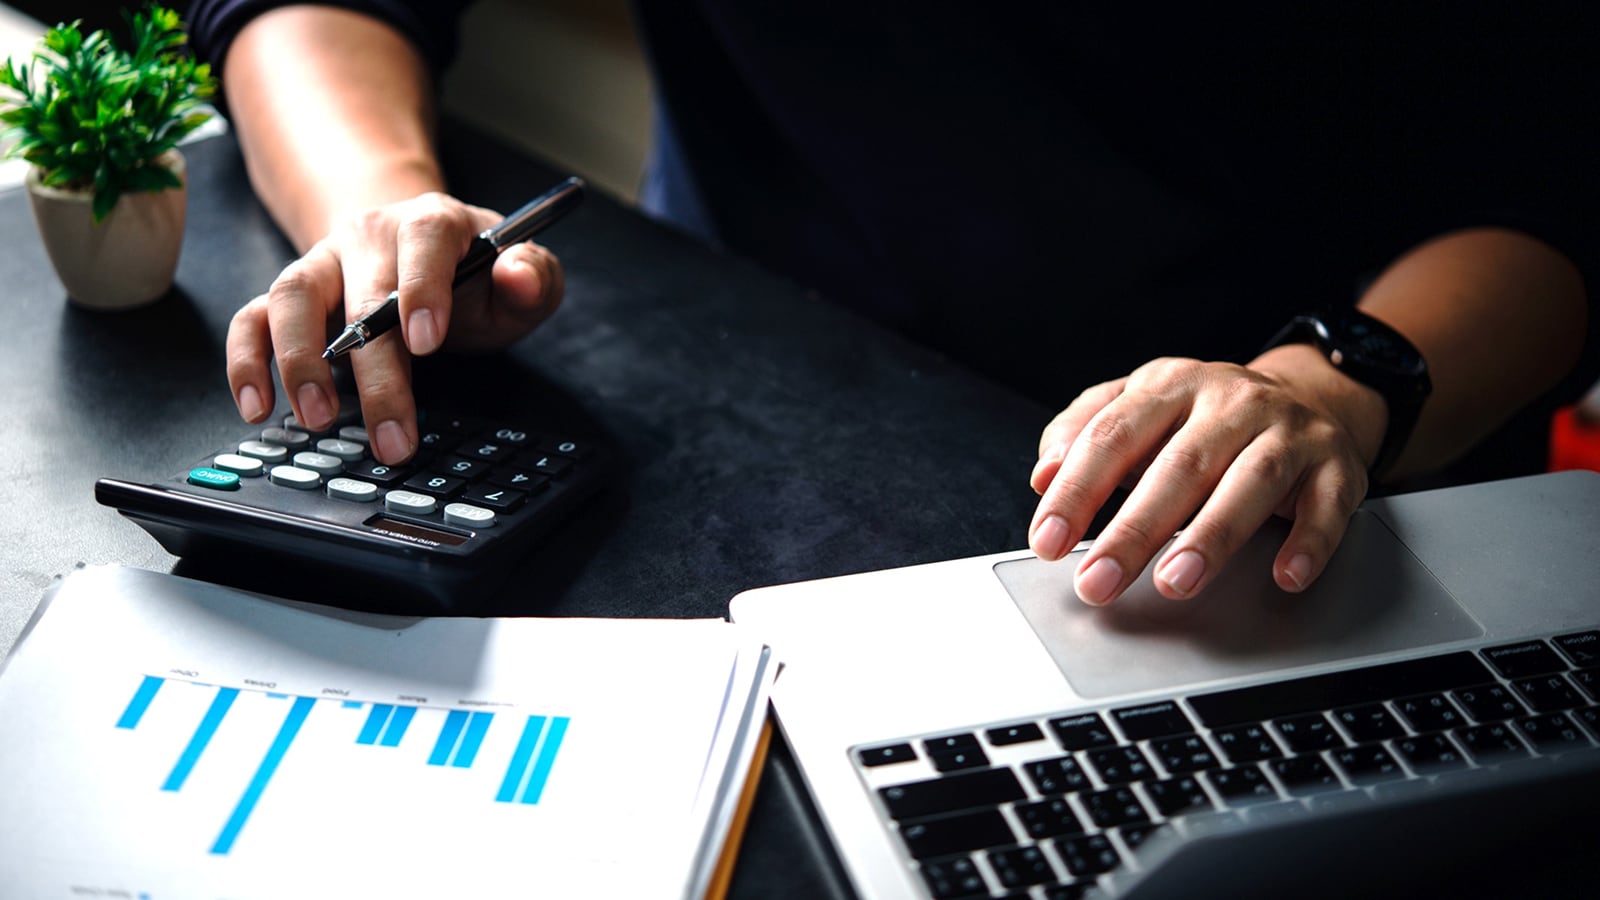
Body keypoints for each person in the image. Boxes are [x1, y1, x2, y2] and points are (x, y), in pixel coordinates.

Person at [186, 3, 1594, 607]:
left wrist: (1324, 386)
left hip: (1295, 483)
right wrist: (380, 198)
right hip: (752, 391)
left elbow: (1553, 183)